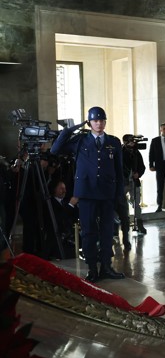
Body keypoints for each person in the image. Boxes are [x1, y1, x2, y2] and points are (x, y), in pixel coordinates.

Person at [50, 106, 126, 282]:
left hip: (107, 193)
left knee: (108, 231)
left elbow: (119, 170)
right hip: (86, 194)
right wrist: (72, 128)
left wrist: (119, 193)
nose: (99, 123)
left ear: (105, 121)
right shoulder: (80, 140)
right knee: (89, 232)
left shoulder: (113, 142)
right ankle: (92, 268)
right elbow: (55, 149)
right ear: (89, 122)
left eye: (101, 120)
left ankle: (106, 266)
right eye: (95, 120)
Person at [121, 134, 147, 235]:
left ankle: (139, 224)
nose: (133, 143)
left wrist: (138, 174)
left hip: (134, 182)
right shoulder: (120, 152)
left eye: (133, 141)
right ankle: (125, 224)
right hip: (123, 182)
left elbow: (142, 167)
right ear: (125, 142)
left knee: (136, 204)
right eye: (130, 141)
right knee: (122, 204)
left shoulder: (137, 153)